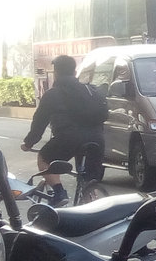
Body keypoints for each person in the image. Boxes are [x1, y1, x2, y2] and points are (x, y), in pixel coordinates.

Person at [21, 55, 109, 206]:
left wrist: (28, 143)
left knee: (44, 158)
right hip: (97, 139)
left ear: (55, 73)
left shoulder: (52, 94)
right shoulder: (90, 91)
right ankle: (90, 198)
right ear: (74, 72)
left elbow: (39, 124)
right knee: (88, 180)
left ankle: (59, 192)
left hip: (69, 138)